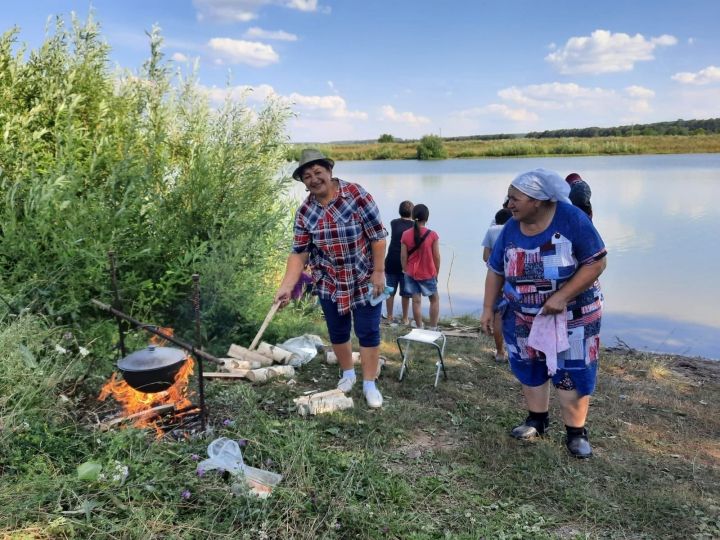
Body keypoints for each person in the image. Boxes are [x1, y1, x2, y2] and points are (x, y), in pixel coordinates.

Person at [479, 168, 607, 458]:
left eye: (514, 198)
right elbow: (496, 269)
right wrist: (488, 308)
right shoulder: (512, 227)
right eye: (507, 198)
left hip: (574, 314)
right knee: (529, 365)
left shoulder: (572, 219)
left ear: (538, 200)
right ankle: (537, 420)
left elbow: (596, 263)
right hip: (521, 315)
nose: (508, 204)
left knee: (572, 370)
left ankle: (576, 433)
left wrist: (562, 296)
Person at [275, 149, 387, 408]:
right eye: (307, 176)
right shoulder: (305, 212)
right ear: (303, 183)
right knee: (337, 331)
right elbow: (299, 253)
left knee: (368, 331)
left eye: (318, 172)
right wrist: (286, 287)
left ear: (329, 171)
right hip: (328, 281)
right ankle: (348, 373)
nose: (314, 179)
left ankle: (370, 382)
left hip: (364, 277)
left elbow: (378, 237)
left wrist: (378, 271)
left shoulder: (357, 195)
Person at [400, 204, 441, 330]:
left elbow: (403, 256)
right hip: (428, 272)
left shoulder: (406, 234)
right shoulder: (432, 235)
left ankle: (419, 326)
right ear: (426, 218)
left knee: (416, 300)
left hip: (411, 273)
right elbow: (437, 257)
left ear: (413, 217)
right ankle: (433, 327)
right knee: (434, 299)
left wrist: (405, 269)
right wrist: (436, 272)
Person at [481, 207, 512, 361]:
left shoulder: (491, 231)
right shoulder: (515, 229)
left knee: (497, 316)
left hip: (495, 279)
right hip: (514, 279)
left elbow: (486, 257)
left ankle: (500, 352)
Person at [384, 200, 414, 325]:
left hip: (391, 261)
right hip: (406, 263)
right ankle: (405, 318)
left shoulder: (394, 223)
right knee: (406, 293)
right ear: (412, 213)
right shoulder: (414, 226)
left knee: (390, 290)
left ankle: (390, 316)